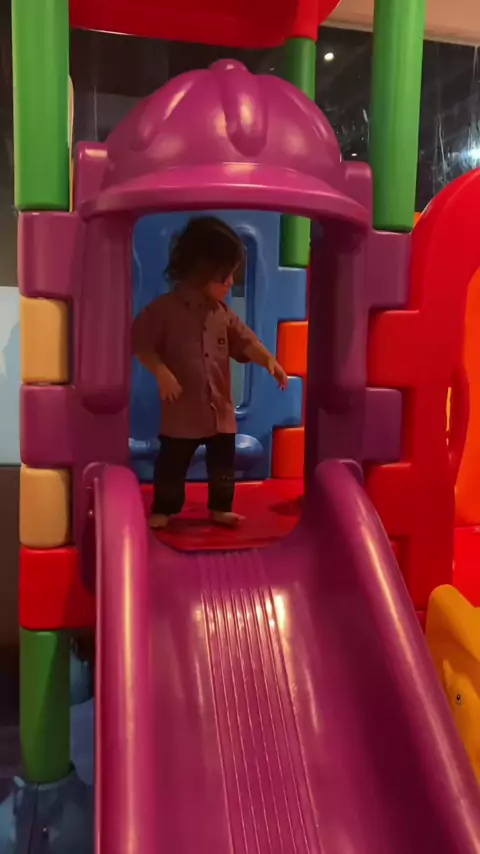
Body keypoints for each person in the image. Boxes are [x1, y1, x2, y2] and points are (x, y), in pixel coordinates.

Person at [132, 216, 288, 529]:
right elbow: (140, 343)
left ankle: (220, 507)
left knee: (223, 464)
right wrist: (161, 372)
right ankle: (164, 507)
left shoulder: (222, 314)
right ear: (200, 272)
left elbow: (246, 341)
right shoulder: (164, 310)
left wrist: (268, 360)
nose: (230, 283)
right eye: (223, 276)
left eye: (232, 275)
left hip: (220, 411)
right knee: (172, 463)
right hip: (182, 412)